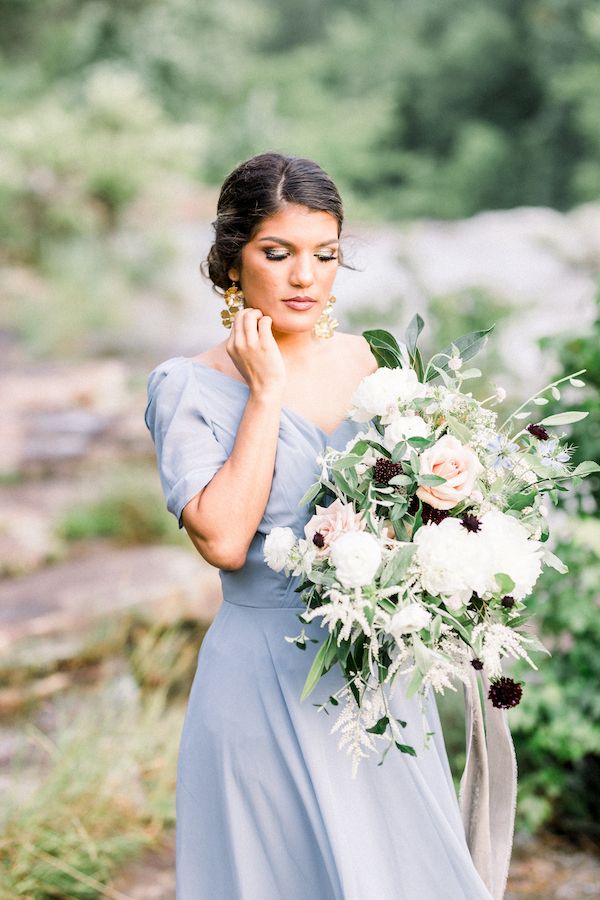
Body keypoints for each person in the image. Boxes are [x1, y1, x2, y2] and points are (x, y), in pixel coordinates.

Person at [144, 152, 493, 899]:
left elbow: (423, 510)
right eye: (279, 253)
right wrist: (265, 394)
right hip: (262, 684)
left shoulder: (372, 362)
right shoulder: (184, 387)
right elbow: (226, 541)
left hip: (375, 685)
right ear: (232, 263)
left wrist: (452, 512)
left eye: (325, 254)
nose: (306, 277)